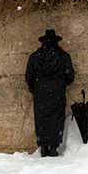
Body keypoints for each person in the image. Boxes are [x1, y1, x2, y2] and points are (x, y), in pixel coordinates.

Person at [25, 29, 75, 157]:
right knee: (56, 118)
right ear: (56, 42)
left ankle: (43, 145)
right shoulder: (63, 56)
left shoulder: (35, 56)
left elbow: (29, 76)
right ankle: (53, 146)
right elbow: (70, 76)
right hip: (57, 92)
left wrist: (35, 89)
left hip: (41, 92)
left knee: (41, 118)